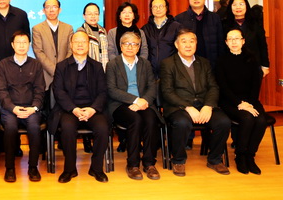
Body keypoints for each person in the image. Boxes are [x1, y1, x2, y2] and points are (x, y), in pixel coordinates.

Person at [160, 29, 231, 177]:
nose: (188, 45)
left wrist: (208, 106)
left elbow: (213, 87)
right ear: (176, 44)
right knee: (182, 123)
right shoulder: (168, 63)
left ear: (196, 44)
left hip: (203, 104)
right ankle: (178, 160)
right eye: (184, 41)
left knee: (223, 122)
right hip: (178, 107)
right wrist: (187, 107)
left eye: (192, 41)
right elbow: (167, 91)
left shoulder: (204, 62)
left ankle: (215, 159)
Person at [49, 31, 110, 183]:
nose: (80, 44)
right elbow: (59, 91)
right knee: (68, 128)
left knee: (103, 128)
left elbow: (103, 92)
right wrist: (74, 109)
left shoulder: (96, 66)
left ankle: (96, 168)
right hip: (69, 109)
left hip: (92, 109)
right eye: (76, 41)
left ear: (88, 45)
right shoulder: (62, 66)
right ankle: (70, 169)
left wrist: (92, 109)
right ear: (71, 45)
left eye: (83, 41)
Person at [106, 32, 162, 180]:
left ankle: (149, 163)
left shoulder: (145, 63)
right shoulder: (112, 64)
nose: (130, 47)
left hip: (143, 103)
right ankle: (133, 164)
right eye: (126, 43)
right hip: (120, 104)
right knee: (135, 120)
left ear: (139, 47)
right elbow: (112, 90)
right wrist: (135, 100)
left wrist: (144, 101)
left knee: (151, 120)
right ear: (121, 46)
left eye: (134, 44)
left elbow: (152, 87)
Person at [216, 28, 267, 175]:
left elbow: (256, 84)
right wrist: (240, 103)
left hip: (250, 100)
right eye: (230, 39)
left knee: (261, 120)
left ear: (243, 41)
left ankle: (250, 156)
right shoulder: (221, 61)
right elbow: (223, 87)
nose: (234, 42)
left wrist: (249, 103)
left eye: (237, 38)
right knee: (247, 118)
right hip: (230, 101)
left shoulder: (252, 59)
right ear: (226, 42)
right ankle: (240, 155)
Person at [0, 31, 45, 183]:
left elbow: (40, 89)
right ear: (12, 45)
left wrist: (34, 108)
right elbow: (1, 91)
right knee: (10, 127)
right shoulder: (3, 64)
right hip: (10, 109)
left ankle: (33, 167)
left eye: (25, 42)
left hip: (31, 108)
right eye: (18, 42)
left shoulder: (36, 64)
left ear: (29, 45)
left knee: (34, 127)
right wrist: (13, 108)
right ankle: (10, 168)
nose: (21, 45)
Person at [175, 0, 225, 70]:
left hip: (212, 63)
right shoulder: (179, 19)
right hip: (188, 64)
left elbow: (220, 43)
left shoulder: (215, 18)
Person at [222, 0, 269, 77]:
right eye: (234, 5)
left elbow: (262, 46)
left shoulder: (256, 24)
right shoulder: (224, 25)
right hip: (231, 66)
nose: (238, 7)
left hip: (253, 66)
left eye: (241, 4)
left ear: (246, 6)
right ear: (230, 7)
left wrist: (265, 65)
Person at [32, 0, 73, 90]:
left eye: (54, 7)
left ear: (59, 10)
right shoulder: (37, 29)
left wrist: (63, 69)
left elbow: (71, 50)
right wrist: (56, 71)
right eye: (48, 7)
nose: (51, 10)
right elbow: (38, 52)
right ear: (43, 10)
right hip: (46, 75)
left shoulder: (68, 28)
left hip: (66, 74)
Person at [141, 0, 182, 79]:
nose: (158, 9)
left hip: (171, 72)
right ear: (151, 9)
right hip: (150, 73)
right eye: (155, 7)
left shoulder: (177, 27)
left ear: (166, 8)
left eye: (161, 6)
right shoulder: (145, 29)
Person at [77, 2, 109, 70]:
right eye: (90, 14)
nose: (93, 16)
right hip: (87, 68)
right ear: (84, 16)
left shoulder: (103, 31)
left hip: (103, 66)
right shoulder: (81, 31)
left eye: (96, 13)